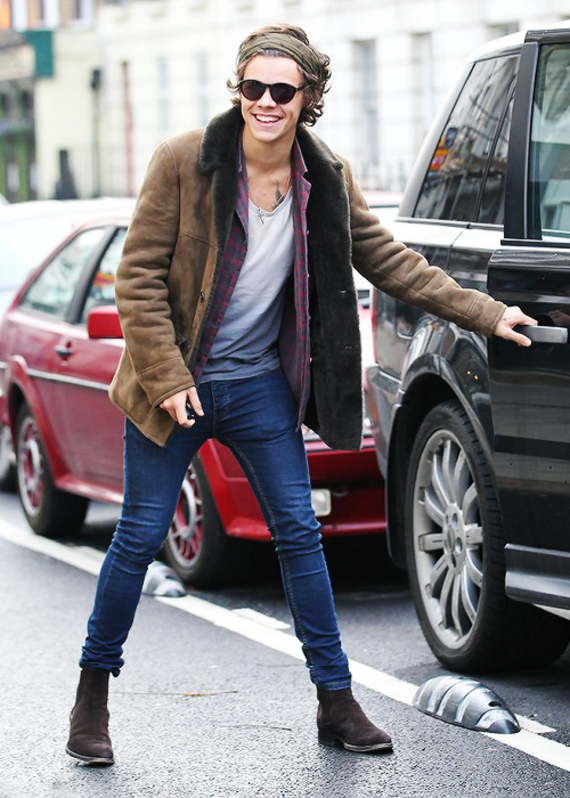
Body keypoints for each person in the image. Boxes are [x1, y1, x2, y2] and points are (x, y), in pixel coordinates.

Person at [66, 23, 535, 766]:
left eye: (282, 91)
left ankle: (336, 700)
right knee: (137, 538)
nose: (266, 101)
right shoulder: (184, 161)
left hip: (257, 387)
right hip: (174, 386)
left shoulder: (326, 177)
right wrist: (168, 378)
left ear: (307, 98)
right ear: (238, 89)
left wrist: (487, 312)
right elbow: (139, 279)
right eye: (253, 87)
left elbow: (393, 262)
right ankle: (92, 695)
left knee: (299, 535)